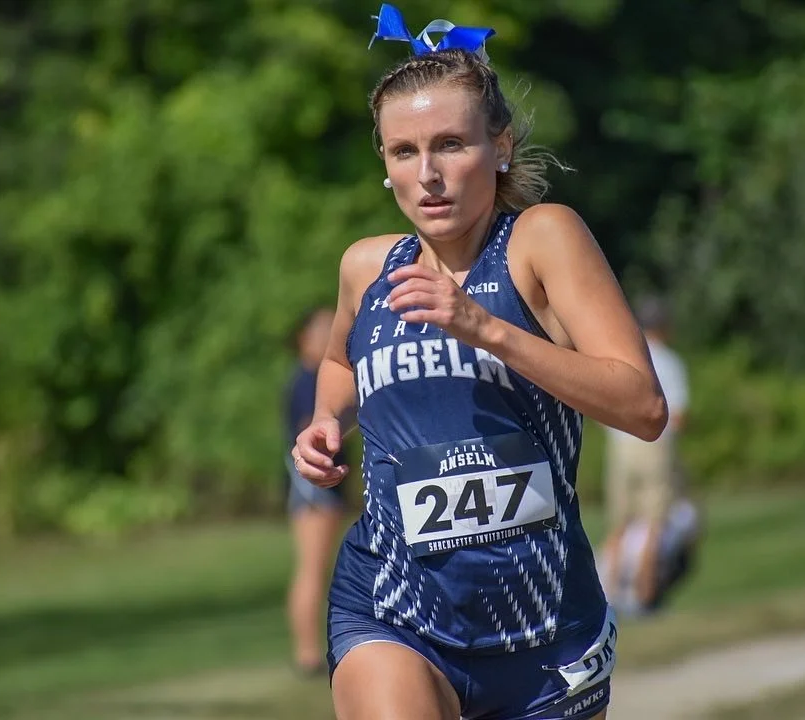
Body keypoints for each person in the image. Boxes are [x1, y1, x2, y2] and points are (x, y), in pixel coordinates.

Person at [290, 5, 667, 719]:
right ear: (386, 166)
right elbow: (341, 362)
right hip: (393, 611)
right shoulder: (368, 268)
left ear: (499, 147)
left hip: (543, 632)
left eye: (450, 145)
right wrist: (324, 422)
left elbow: (643, 407)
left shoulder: (541, 241)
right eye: (404, 152)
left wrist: (484, 328)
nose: (428, 174)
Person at [600, 295, 689, 611]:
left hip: (621, 445)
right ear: (664, 327)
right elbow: (677, 417)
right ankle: (645, 597)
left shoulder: (626, 356)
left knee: (620, 525)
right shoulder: (670, 361)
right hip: (654, 446)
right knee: (653, 524)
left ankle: (607, 599)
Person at [284, 306, 348, 676]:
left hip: (314, 488)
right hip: (311, 489)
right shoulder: (309, 380)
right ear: (303, 340)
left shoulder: (306, 378)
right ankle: (307, 653)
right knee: (312, 567)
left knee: (313, 568)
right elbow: (310, 428)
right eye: (322, 329)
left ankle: (309, 650)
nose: (330, 335)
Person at [596, 495, 701, 619]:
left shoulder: (657, 530)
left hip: (618, 578)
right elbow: (647, 562)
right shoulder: (667, 539)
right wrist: (643, 601)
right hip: (607, 578)